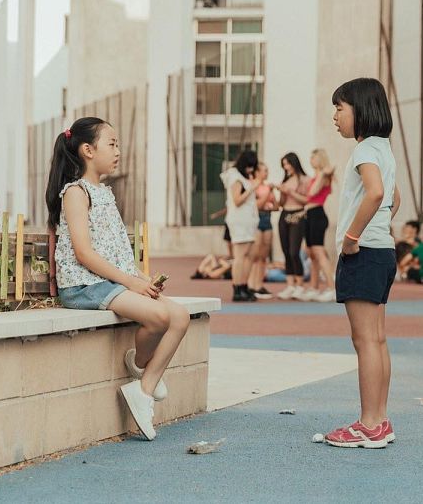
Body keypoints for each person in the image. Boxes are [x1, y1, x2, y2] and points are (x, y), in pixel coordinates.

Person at [45, 117, 189, 441]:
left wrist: (142, 278)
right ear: (87, 150)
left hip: (112, 281)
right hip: (85, 285)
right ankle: (144, 387)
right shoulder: (75, 193)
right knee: (161, 316)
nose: (117, 151)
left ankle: (141, 371)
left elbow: (117, 251)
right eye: (111, 144)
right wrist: (131, 282)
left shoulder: (105, 193)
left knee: (179, 316)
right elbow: (84, 254)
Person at [324, 77, 400, 449]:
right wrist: (379, 228)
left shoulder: (364, 151)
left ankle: (369, 423)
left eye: (340, 108)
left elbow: (377, 193)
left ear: (362, 110)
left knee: (365, 341)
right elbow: (392, 199)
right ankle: (380, 420)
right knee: (378, 339)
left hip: (365, 253)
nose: (335, 116)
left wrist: (352, 238)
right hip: (382, 251)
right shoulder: (383, 149)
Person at [222, 150, 261, 302]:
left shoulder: (244, 177)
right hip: (239, 221)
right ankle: (237, 288)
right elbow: (237, 200)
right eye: (249, 166)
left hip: (249, 221)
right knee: (239, 256)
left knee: (250, 255)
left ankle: (244, 286)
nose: (251, 170)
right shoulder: (235, 176)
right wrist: (252, 187)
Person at [299, 148, 337, 302]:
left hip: (317, 215)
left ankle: (332, 288)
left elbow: (312, 193)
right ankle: (314, 287)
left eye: (314, 158)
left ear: (320, 159)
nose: (311, 160)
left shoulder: (324, 176)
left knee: (319, 252)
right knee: (311, 253)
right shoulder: (316, 177)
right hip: (309, 215)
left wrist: (322, 174)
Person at [276, 152, 310, 300]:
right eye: (284, 165)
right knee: (285, 251)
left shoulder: (305, 180)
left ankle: (300, 285)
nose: (286, 167)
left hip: (298, 215)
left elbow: (306, 200)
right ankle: (290, 285)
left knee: (294, 251)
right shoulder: (286, 180)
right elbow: (281, 203)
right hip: (284, 215)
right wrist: (282, 193)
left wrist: (290, 192)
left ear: (294, 163)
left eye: (287, 163)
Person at [247, 162, 278, 300]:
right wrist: (267, 195)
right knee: (255, 254)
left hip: (267, 218)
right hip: (257, 219)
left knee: (264, 255)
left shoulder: (267, 187)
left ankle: (259, 285)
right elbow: (256, 205)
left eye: (267, 170)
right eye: (264, 170)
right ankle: (251, 285)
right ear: (257, 172)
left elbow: (276, 206)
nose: (266, 173)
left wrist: (271, 194)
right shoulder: (252, 185)